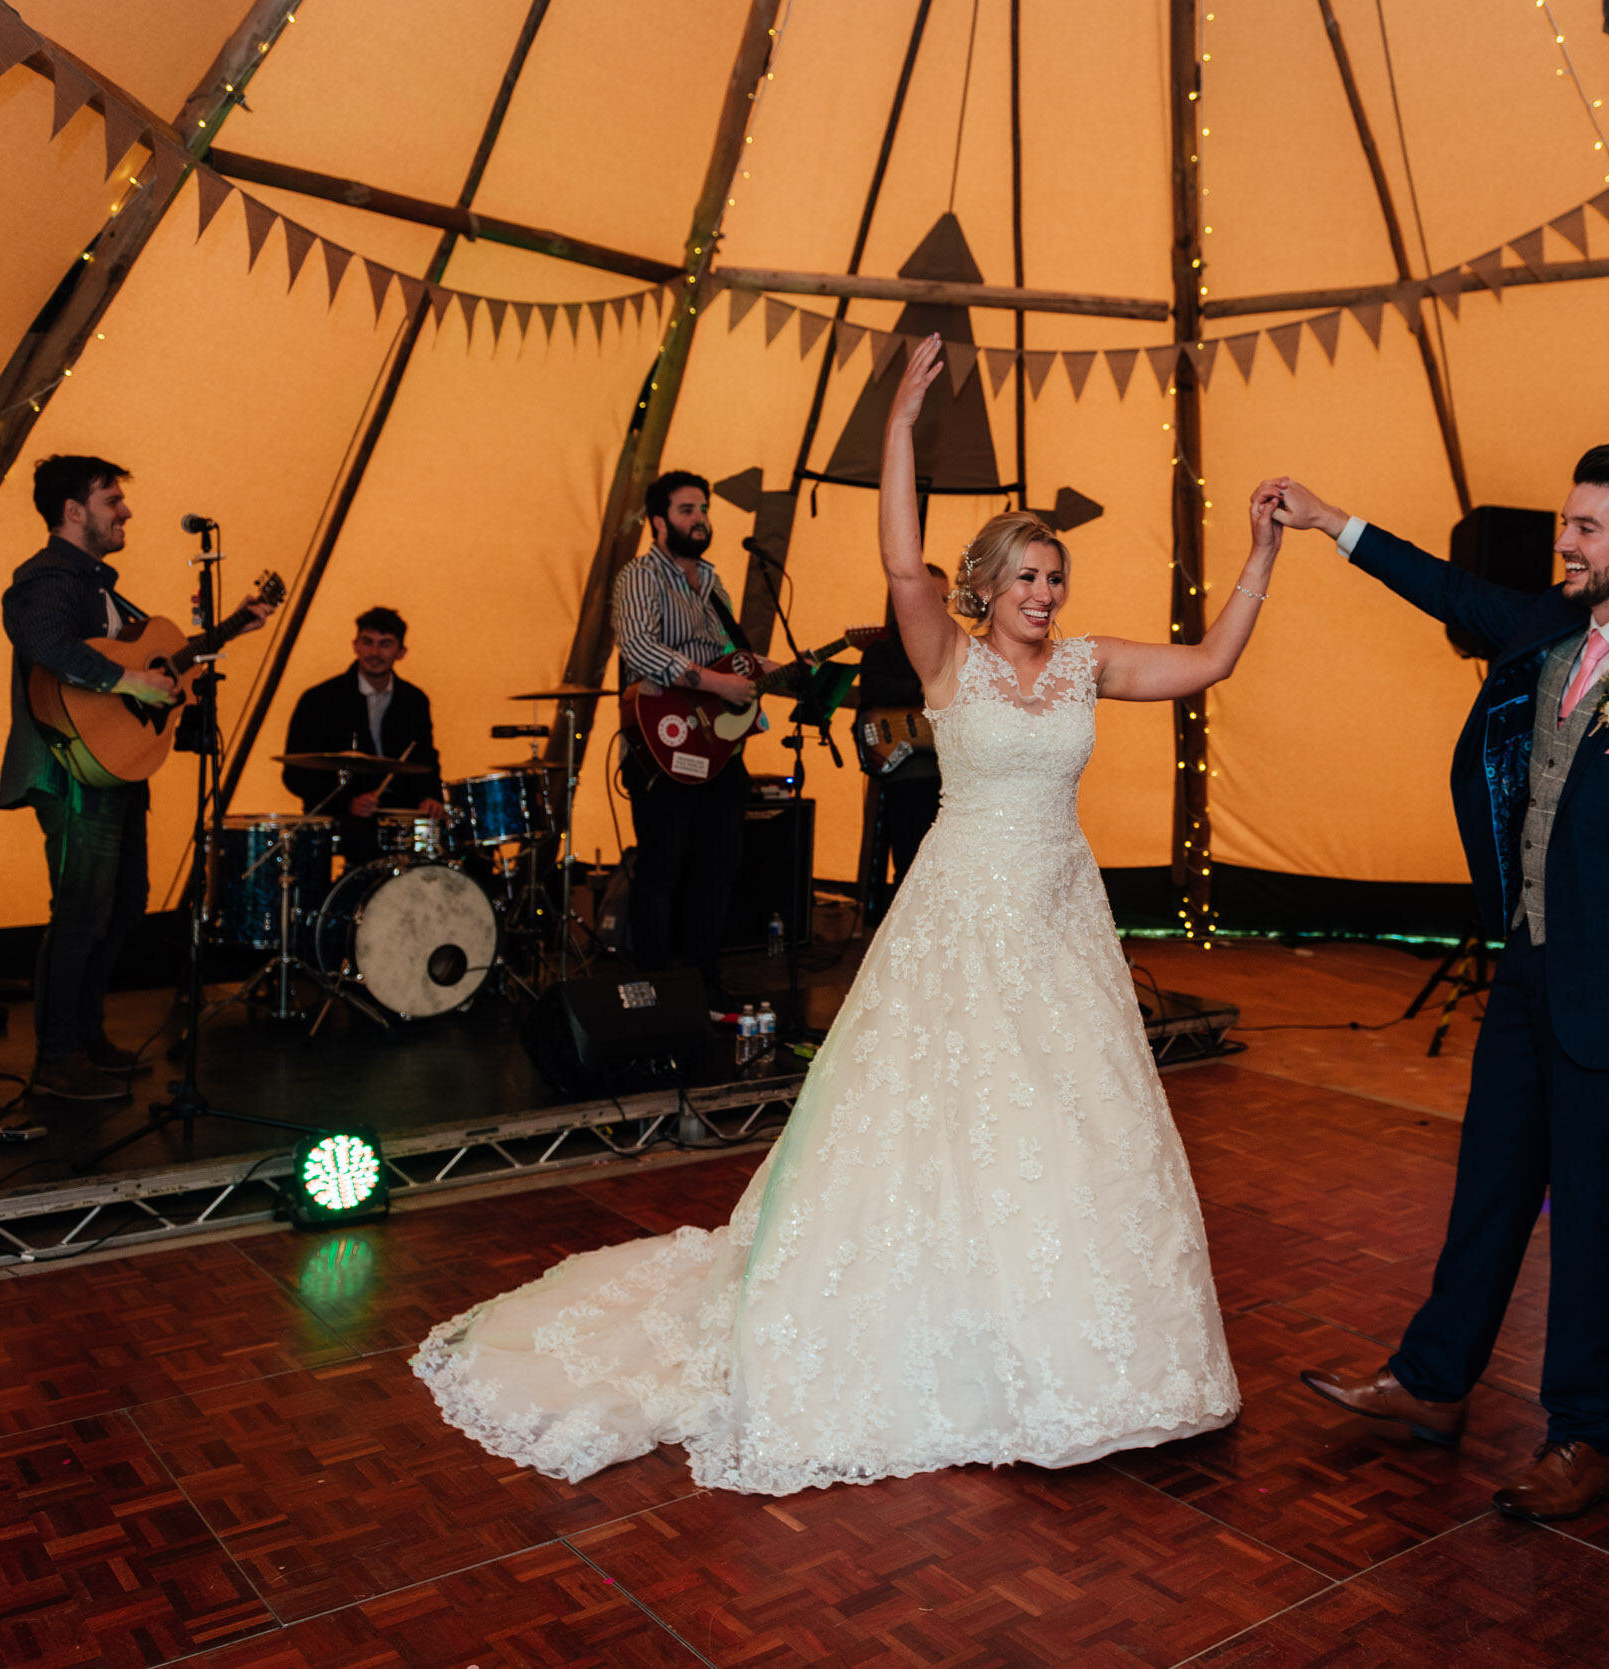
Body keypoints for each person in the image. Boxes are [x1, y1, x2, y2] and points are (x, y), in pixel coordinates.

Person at [412, 335, 1277, 1494]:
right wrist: (901, 429)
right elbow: (901, 558)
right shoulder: (944, 657)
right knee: (939, 1112)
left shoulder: (1086, 666)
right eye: (1025, 577)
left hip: (1059, 920)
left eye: (1054, 577)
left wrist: (1264, 554)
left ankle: (1078, 1349)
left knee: (1068, 1118)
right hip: (959, 913)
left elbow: (1212, 660)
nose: (1043, 595)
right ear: (986, 588)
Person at [1275, 449, 1609, 1522]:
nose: (1565, 542)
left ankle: (1587, 1438)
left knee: (1594, 1217)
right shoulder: (1553, 626)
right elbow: (1450, 592)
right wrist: (1329, 519)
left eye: (1585, 527)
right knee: (1489, 1184)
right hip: (1529, 966)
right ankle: (1433, 1380)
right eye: (1567, 522)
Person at [0, 454, 270, 1102]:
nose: (124, 511)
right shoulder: (47, 578)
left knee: (121, 905)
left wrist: (228, 628)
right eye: (111, 499)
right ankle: (56, 1058)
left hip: (115, 771)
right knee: (80, 910)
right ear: (74, 511)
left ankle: (86, 1036)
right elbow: (43, 641)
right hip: (72, 770)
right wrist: (127, 680)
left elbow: (157, 664)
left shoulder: (104, 589)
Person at [609, 470, 777, 1016]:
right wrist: (717, 683)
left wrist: (778, 671)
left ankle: (703, 986)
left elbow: (734, 657)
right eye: (686, 510)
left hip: (718, 750)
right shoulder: (639, 575)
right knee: (662, 867)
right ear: (659, 522)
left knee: (720, 864)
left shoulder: (713, 582)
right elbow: (638, 649)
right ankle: (655, 992)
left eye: (703, 509)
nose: (700, 519)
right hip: (662, 742)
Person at [280, 607, 446, 866]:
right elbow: (295, 775)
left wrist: (432, 796)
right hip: (342, 814)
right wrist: (348, 803)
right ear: (355, 645)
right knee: (362, 838)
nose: (374, 652)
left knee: (454, 844)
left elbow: (426, 757)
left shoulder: (414, 700)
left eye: (385, 644)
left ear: (401, 652)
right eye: (367, 642)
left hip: (401, 810)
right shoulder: (319, 700)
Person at [852, 563, 948, 926]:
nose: (941, 607)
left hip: (946, 774)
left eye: (945, 599)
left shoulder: (955, 648)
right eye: (933, 599)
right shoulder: (883, 649)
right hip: (909, 774)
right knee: (911, 860)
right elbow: (873, 690)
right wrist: (923, 690)